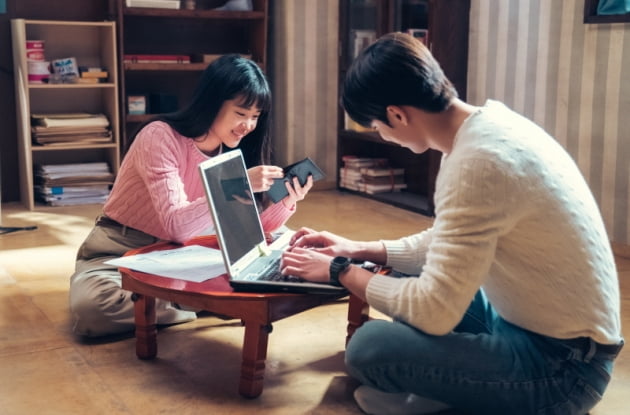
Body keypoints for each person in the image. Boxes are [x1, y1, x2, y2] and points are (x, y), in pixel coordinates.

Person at [280, 33, 623, 415]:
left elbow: (434, 310)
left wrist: (340, 271)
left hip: (562, 371)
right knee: (398, 280)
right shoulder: (482, 130)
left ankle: (453, 395)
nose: (383, 135)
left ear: (397, 114)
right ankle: (456, 386)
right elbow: (446, 243)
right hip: (541, 330)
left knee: (369, 349)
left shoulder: (477, 164)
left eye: (378, 126)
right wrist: (358, 249)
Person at [70, 54, 313, 337]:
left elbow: (252, 227)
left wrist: (288, 200)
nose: (248, 126)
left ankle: (178, 300)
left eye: (255, 117)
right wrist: (236, 184)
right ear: (212, 103)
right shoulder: (159, 136)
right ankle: (199, 301)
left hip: (186, 252)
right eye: (240, 113)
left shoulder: (232, 148)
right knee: (93, 307)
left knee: (281, 237)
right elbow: (176, 225)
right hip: (121, 249)